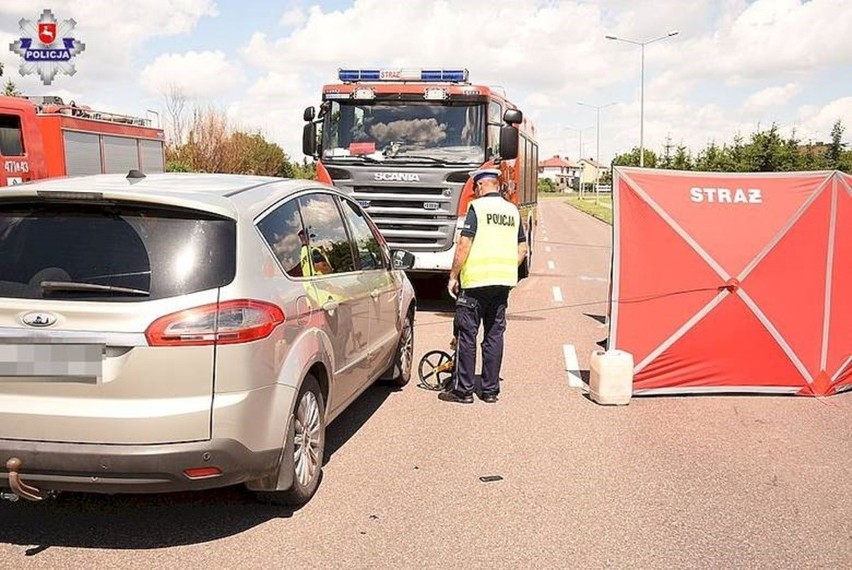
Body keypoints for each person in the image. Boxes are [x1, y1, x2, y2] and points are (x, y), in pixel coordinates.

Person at [441, 168, 527, 404]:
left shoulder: (477, 208)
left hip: (475, 284)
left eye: (475, 189)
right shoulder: (512, 211)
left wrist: (453, 276)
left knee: (467, 335)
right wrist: (507, 268)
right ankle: (490, 391)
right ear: (497, 185)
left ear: (480, 187)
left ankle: (464, 391)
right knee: (494, 335)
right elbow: (522, 249)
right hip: (502, 285)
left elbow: (464, 245)